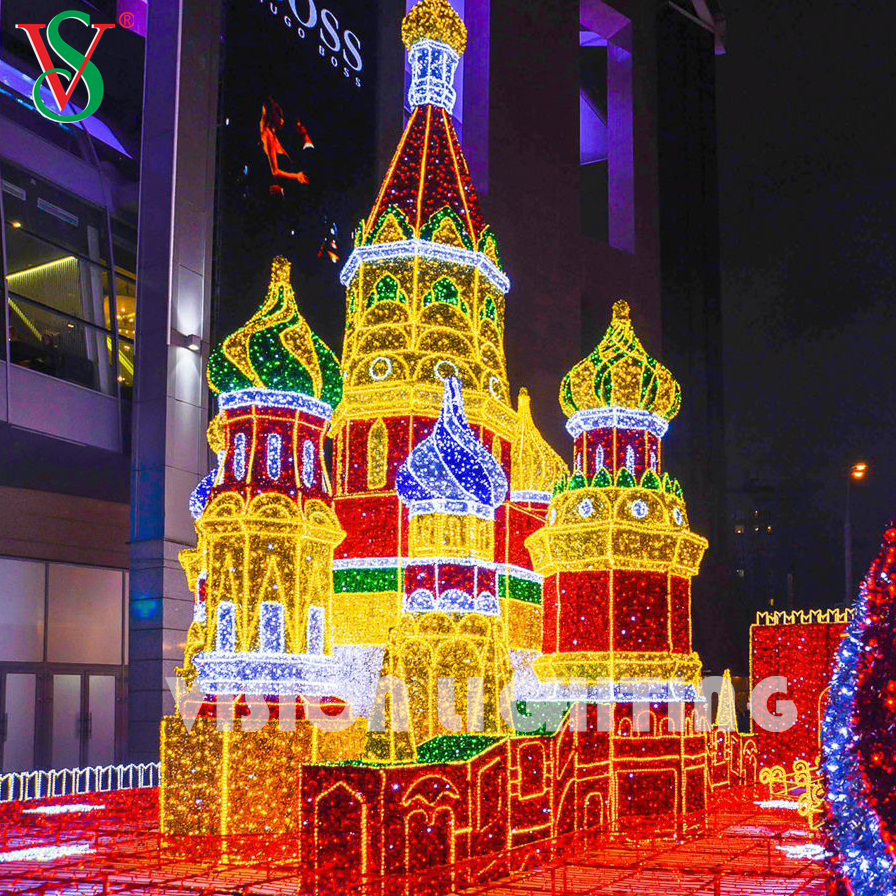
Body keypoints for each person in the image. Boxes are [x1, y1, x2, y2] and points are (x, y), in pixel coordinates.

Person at [259, 97, 313, 197]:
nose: (282, 120)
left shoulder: (275, 138)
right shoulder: (268, 134)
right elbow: (275, 171)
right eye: (280, 116)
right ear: (273, 115)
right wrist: (296, 176)